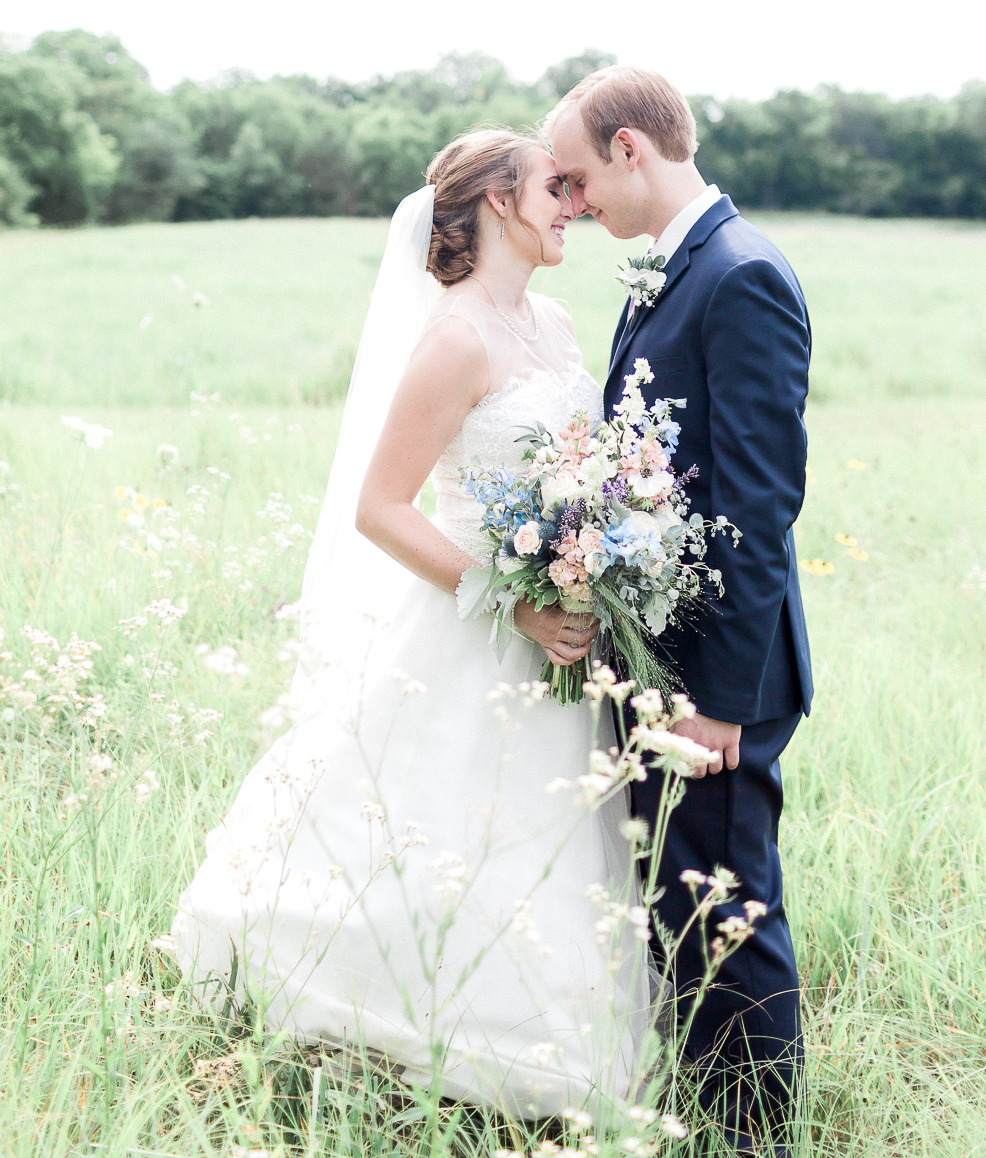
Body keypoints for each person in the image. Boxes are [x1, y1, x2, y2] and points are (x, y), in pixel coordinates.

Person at [172, 129, 649, 1115]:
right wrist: (513, 598)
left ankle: (553, 1028)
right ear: (496, 203)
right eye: (552, 190)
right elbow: (382, 507)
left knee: (549, 836)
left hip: (561, 628)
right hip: (471, 626)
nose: (570, 205)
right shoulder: (452, 336)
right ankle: (410, 1026)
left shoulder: (555, 325)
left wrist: (594, 556)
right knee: (440, 828)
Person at [547, 67, 814, 1155]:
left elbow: (757, 506)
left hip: (714, 672)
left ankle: (752, 1135)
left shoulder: (740, 274)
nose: (569, 204)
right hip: (654, 654)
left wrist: (716, 701)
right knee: (673, 901)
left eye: (573, 178)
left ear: (627, 150)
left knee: (725, 906)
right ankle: (703, 1112)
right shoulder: (663, 270)